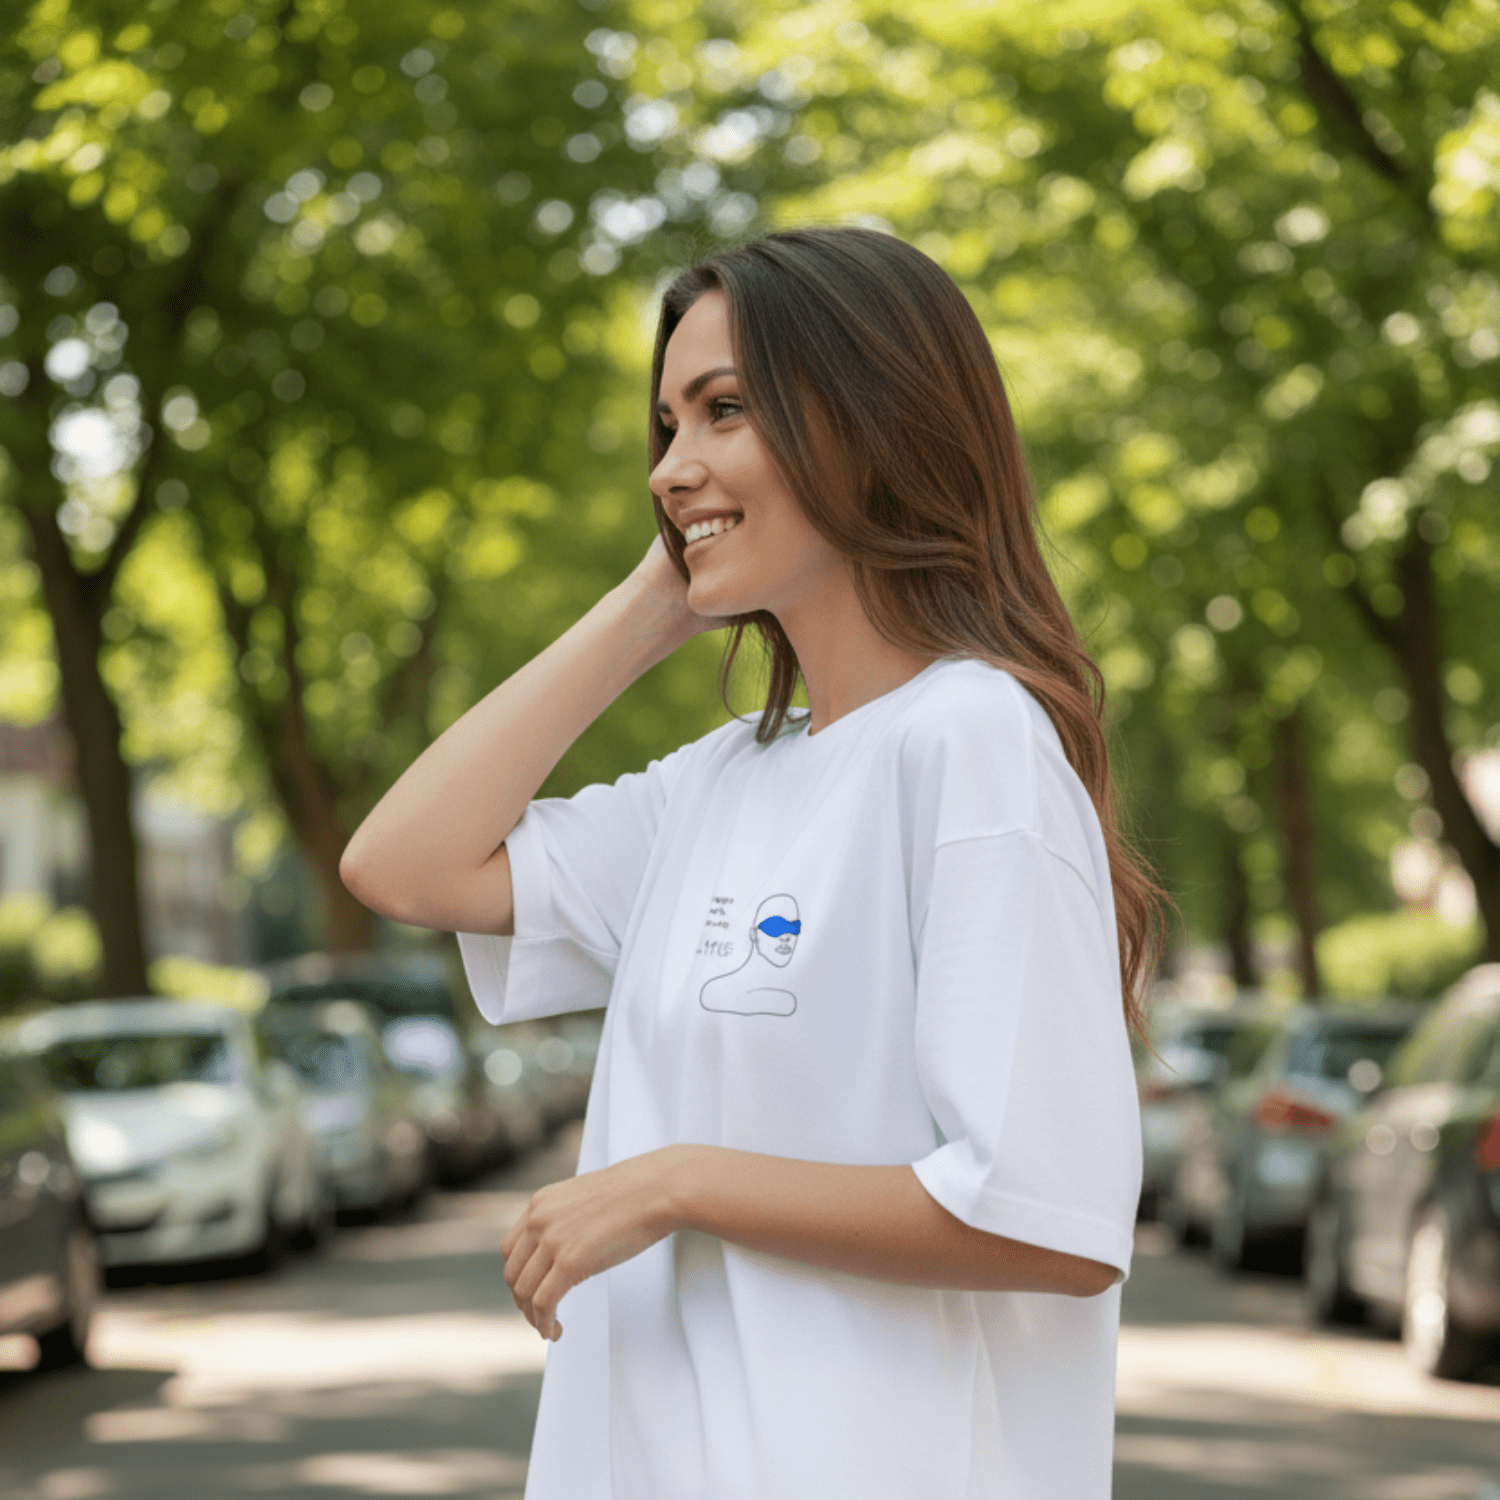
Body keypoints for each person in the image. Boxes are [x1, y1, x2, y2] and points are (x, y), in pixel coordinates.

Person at [340, 227, 1161, 1500]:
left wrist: (675, 1184)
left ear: (873, 419)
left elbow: (1043, 1218)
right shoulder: (721, 779)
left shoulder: (972, 740)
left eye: (724, 411)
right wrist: (656, 599)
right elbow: (401, 865)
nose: (673, 467)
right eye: (666, 427)